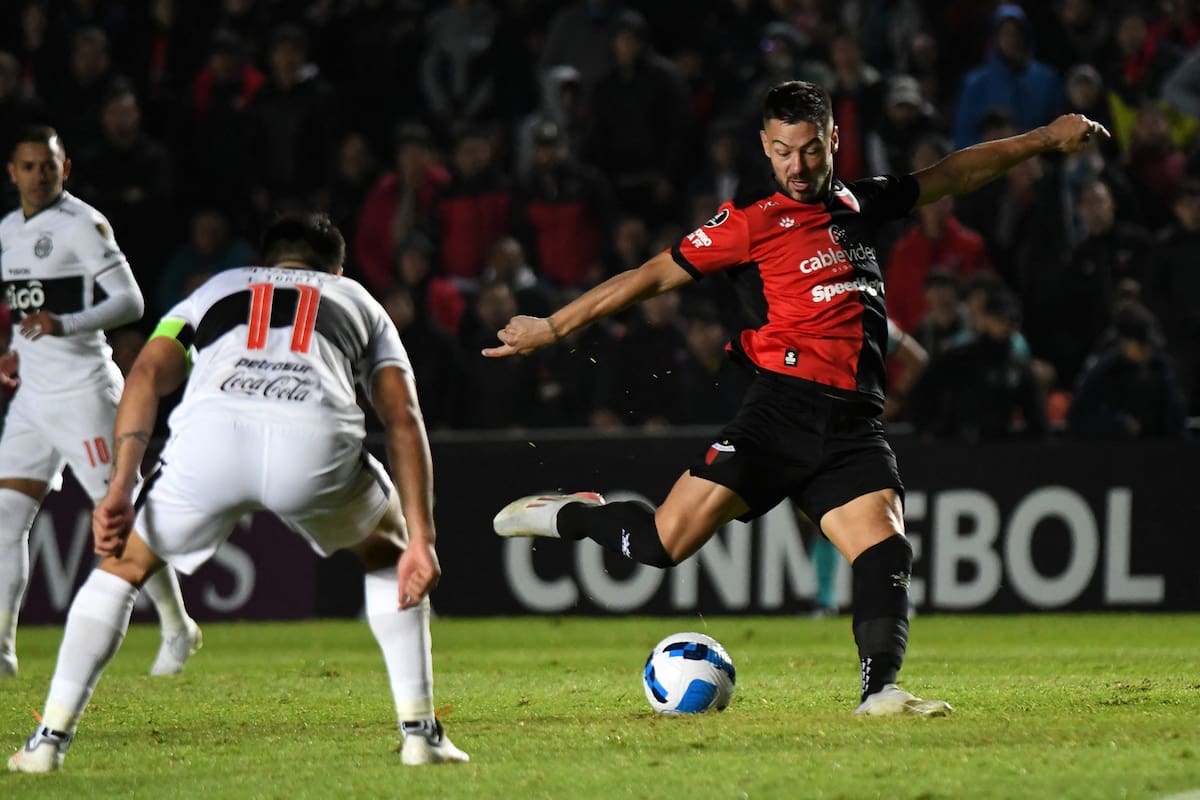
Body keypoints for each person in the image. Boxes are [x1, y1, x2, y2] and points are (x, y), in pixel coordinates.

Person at [485, 80, 1104, 716]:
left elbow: (955, 173)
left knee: (885, 548)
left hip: (854, 421)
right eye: (782, 151)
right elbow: (650, 276)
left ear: (833, 139)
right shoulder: (750, 224)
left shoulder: (863, 206)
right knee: (658, 547)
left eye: (809, 150)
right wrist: (553, 327)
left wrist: (1044, 140)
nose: (797, 166)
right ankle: (579, 513)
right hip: (780, 410)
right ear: (764, 146)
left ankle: (880, 692)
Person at [8, 212, 468, 773]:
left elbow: (147, 375)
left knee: (122, 565)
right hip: (314, 446)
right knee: (387, 552)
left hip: (212, 440)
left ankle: (49, 742)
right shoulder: (359, 300)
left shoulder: (217, 289)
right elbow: (402, 416)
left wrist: (120, 488)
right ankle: (420, 733)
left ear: (262, 262)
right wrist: (422, 536)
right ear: (337, 268)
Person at [0, 125, 199, 679]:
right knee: (4, 516)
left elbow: (131, 301)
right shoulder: (7, 232)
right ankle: (2, 652)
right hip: (33, 401)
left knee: (118, 517)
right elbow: (26, 311)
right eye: (29, 166)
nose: (39, 175)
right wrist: (16, 352)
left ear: (65, 170)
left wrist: (63, 324)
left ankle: (179, 627)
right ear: (12, 173)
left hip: (85, 392)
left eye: (49, 165)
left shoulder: (83, 224)